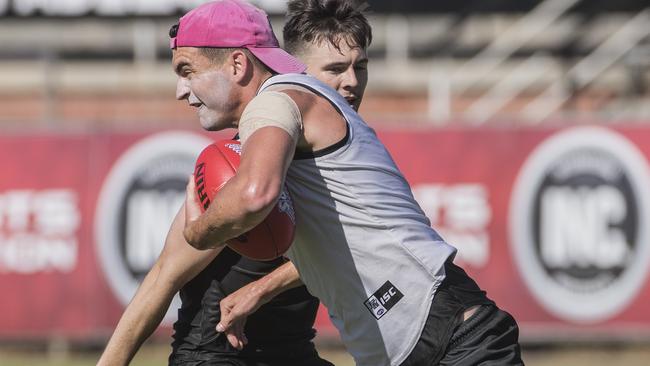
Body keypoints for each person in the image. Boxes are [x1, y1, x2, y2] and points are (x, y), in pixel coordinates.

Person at [175, 0, 524, 365]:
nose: (182, 91)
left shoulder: (276, 99)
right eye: (337, 68)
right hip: (423, 343)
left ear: (237, 64)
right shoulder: (300, 120)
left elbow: (254, 195)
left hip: (454, 341)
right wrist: (261, 289)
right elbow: (347, 235)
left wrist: (198, 232)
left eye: (189, 71)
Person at [96, 1, 372, 365]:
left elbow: (355, 246)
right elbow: (163, 278)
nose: (350, 82)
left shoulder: (344, 157)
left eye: (360, 67)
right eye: (335, 69)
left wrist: (261, 289)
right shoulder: (237, 163)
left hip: (293, 353)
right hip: (218, 356)